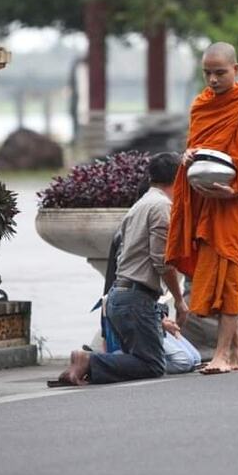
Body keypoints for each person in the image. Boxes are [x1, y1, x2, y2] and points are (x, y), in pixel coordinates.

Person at [166, 42, 238, 374]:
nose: (212, 80)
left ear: (236, 70)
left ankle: (222, 354)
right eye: (207, 73)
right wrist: (187, 156)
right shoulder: (201, 105)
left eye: (220, 73)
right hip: (208, 202)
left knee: (230, 277)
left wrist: (236, 188)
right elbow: (196, 147)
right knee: (208, 276)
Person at [59, 152, 188, 385]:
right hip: (136, 298)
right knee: (152, 364)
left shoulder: (140, 205)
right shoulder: (161, 207)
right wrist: (179, 300)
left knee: (138, 358)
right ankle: (88, 360)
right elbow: (162, 261)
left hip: (122, 295)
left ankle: (87, 366)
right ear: (179, 178)